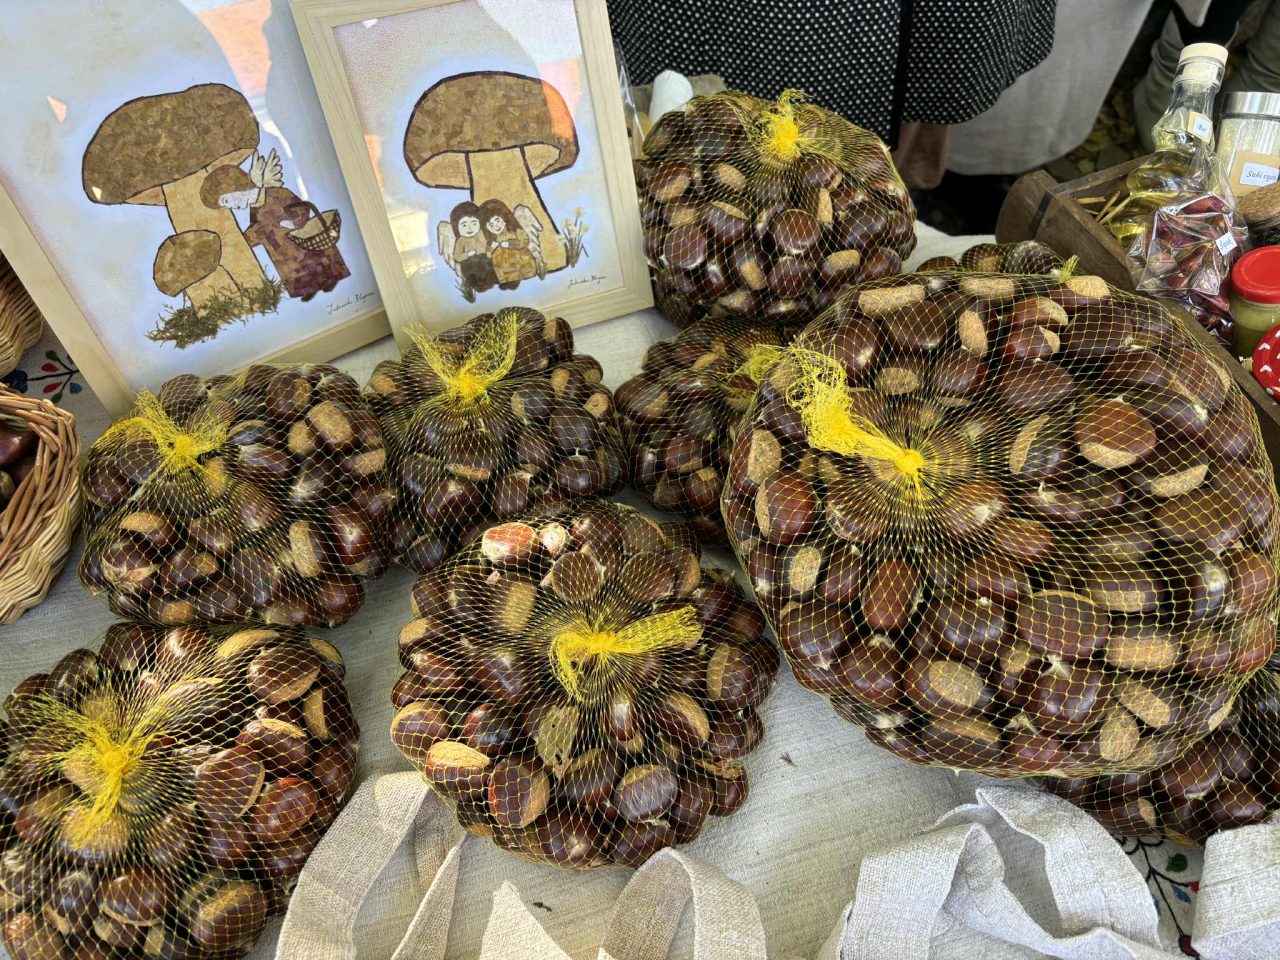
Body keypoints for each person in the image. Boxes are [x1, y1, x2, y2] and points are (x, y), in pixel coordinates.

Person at [200, 154, 350, 301]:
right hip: (283, 253)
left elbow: (301, 208)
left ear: (233, 187)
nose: (232, 206)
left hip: (303, 241)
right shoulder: (254, 210)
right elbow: (258, 230)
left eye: (227, 201)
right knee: (295, 271)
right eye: (225, 205)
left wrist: (294, 222)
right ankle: (308, 289)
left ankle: (331, 279)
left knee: (319, 263)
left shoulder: (276, 194)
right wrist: (243, 241)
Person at [480, 198, 538, 289]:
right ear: (486, 228)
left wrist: (509, 244)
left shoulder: (515, 231)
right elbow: (488, 254)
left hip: (522, 267)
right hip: (504, 272)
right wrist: (491, 248)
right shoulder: (492, 240)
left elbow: (524, 241)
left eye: (497, 221)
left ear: (504, 217)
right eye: (491, 225)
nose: (496, 226)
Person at [448, 201, 497, 293]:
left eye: (474, 223)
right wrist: (467, 254)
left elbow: (486, 247)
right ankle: (477, 284)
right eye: (464, 225)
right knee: (475, 262)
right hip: (469, 264)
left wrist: (490, 249)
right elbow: (457, 256)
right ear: (457, 227)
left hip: (484, 261)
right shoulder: (461, 240)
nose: (470, 228)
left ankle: (489, 281)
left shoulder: (481, 234)